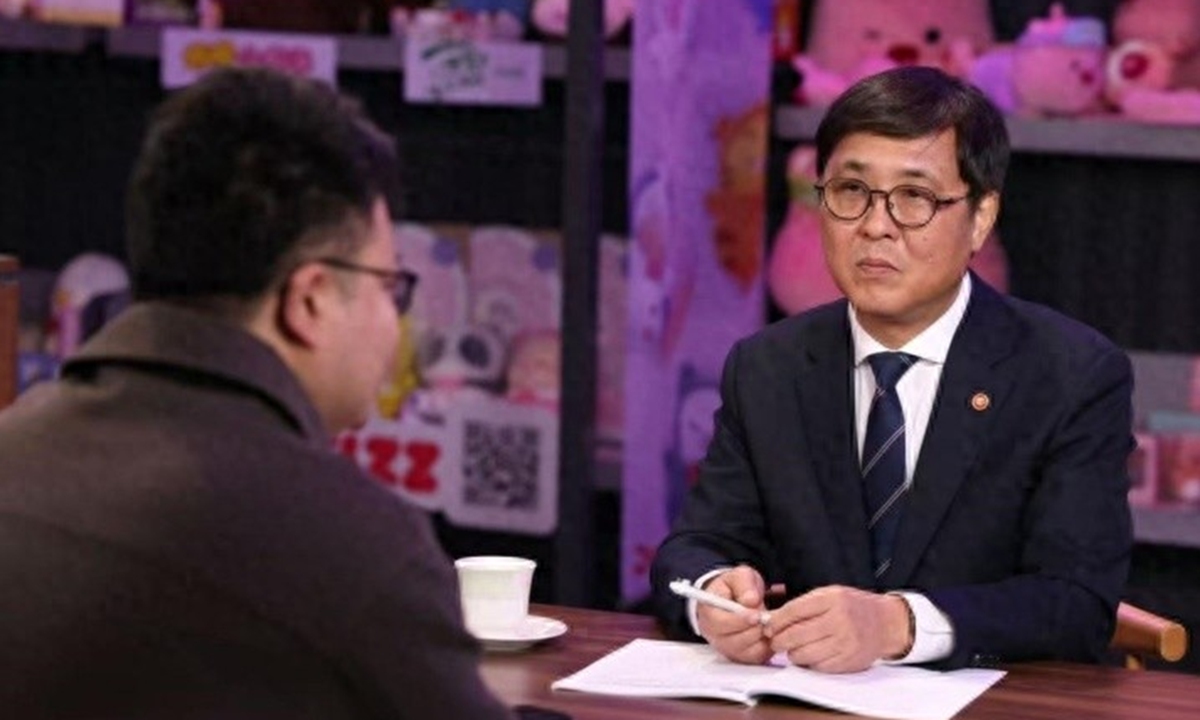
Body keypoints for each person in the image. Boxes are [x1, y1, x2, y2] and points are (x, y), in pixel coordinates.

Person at [0, 67, 520, 719]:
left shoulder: (15, 451)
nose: (396, 321)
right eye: (391, 287)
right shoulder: (353, 546)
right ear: (311, 300)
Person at [651, 65, 1134, 673]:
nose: (875, 226)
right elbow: (696, 546)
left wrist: (897, 624)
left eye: (914, 197)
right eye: (850, 191)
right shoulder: (769, 367)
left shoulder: (1070, 374)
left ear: (980, 217)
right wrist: (714, 595)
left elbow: (1076, 601)